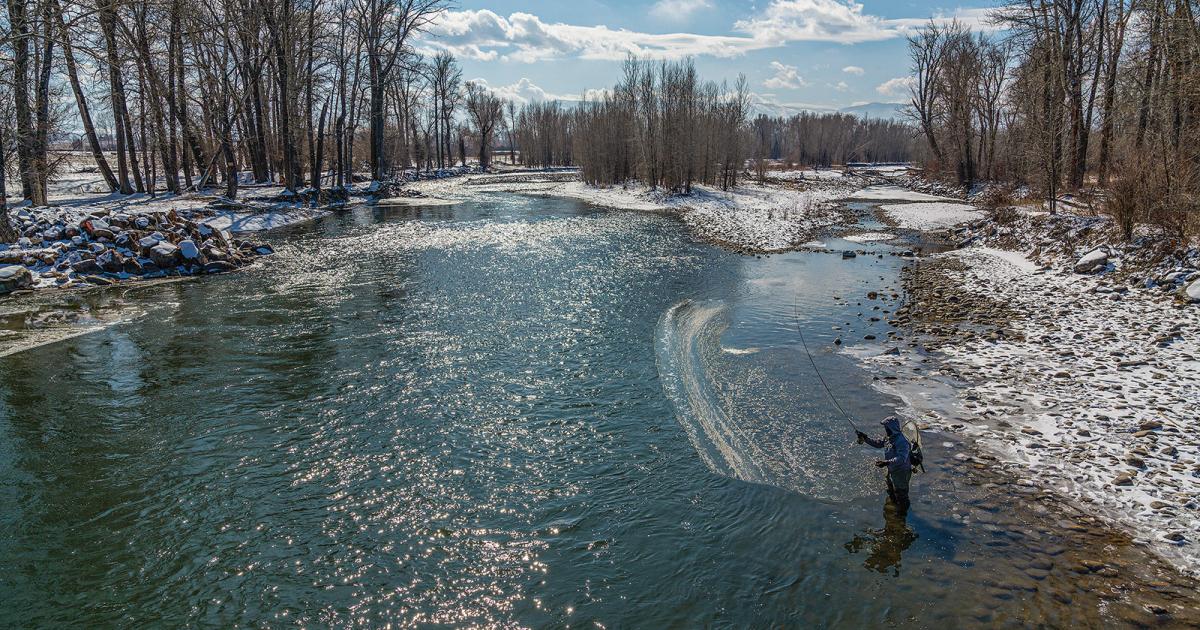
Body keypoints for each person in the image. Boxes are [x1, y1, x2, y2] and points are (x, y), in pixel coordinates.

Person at [857, 416, 913, 514]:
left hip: (901, 471)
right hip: (891, 468)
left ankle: (902, 515)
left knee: (902, 494)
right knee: (890, 489)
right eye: (885, 427)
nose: (886, 429)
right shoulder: (889, 437)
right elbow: (878, 444)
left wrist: (886, 462)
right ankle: (893, 507)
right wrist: (866, 438)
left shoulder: (902, 441)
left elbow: (902, 458)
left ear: (892, 428)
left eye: (887, 428)